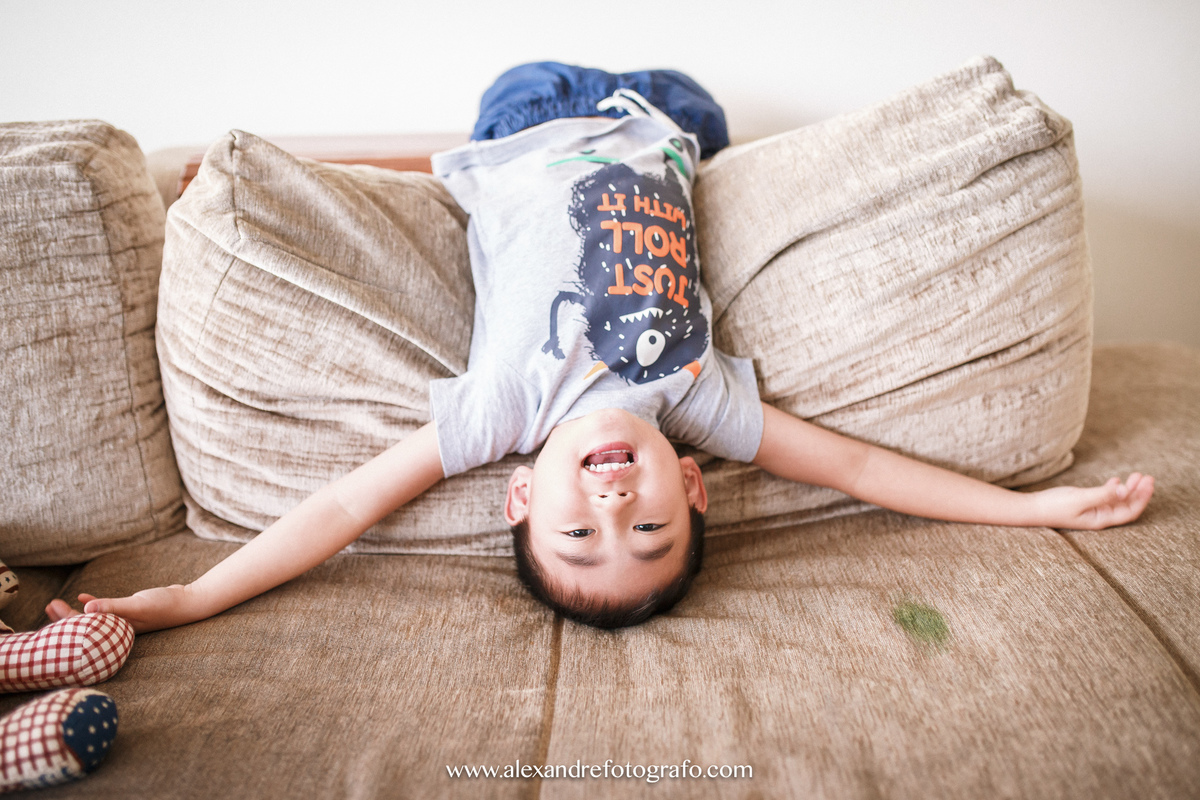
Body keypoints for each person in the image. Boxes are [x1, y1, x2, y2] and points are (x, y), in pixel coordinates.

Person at [46, 64, 1154, 633]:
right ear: (695, 489)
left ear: (523, 495)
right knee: (701, 111)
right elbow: (863, 468)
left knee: (474, 141)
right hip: (674, 123)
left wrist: (191, 598)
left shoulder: (504, 411)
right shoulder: (701, 401)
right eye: (649, 527)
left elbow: (339, 509)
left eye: (579, 531)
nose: (615, 505)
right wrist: (1034, 508)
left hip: (524, 121)